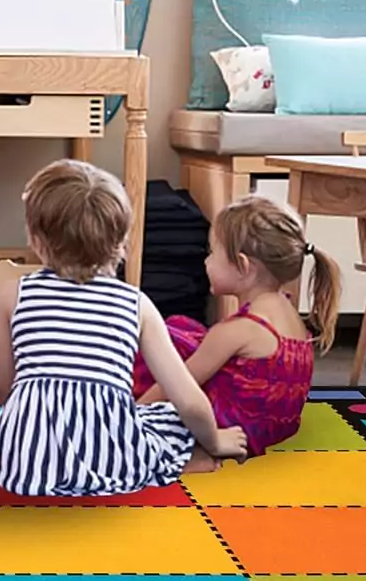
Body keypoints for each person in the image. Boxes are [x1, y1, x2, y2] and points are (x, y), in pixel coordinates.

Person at [0, 160, 248, 496]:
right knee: (165, 417)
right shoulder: (135, 304)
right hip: (113, 458)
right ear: (122, 241)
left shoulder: (15, 293)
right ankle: (185, 461)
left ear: (36, 240)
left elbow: (2, 388)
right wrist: (216, 440)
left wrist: (34, 421)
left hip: (22, 464)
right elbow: (190, 401)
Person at [136, 195, 339, 457]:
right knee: (182, 329)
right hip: (276, 426)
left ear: (243, 266)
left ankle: (193, 455)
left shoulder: (239, 329)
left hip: (235, 430)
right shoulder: (288, 312)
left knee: (160, 346)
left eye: (212, 253)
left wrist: (132, 419)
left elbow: (173, 385)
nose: (206, 261)